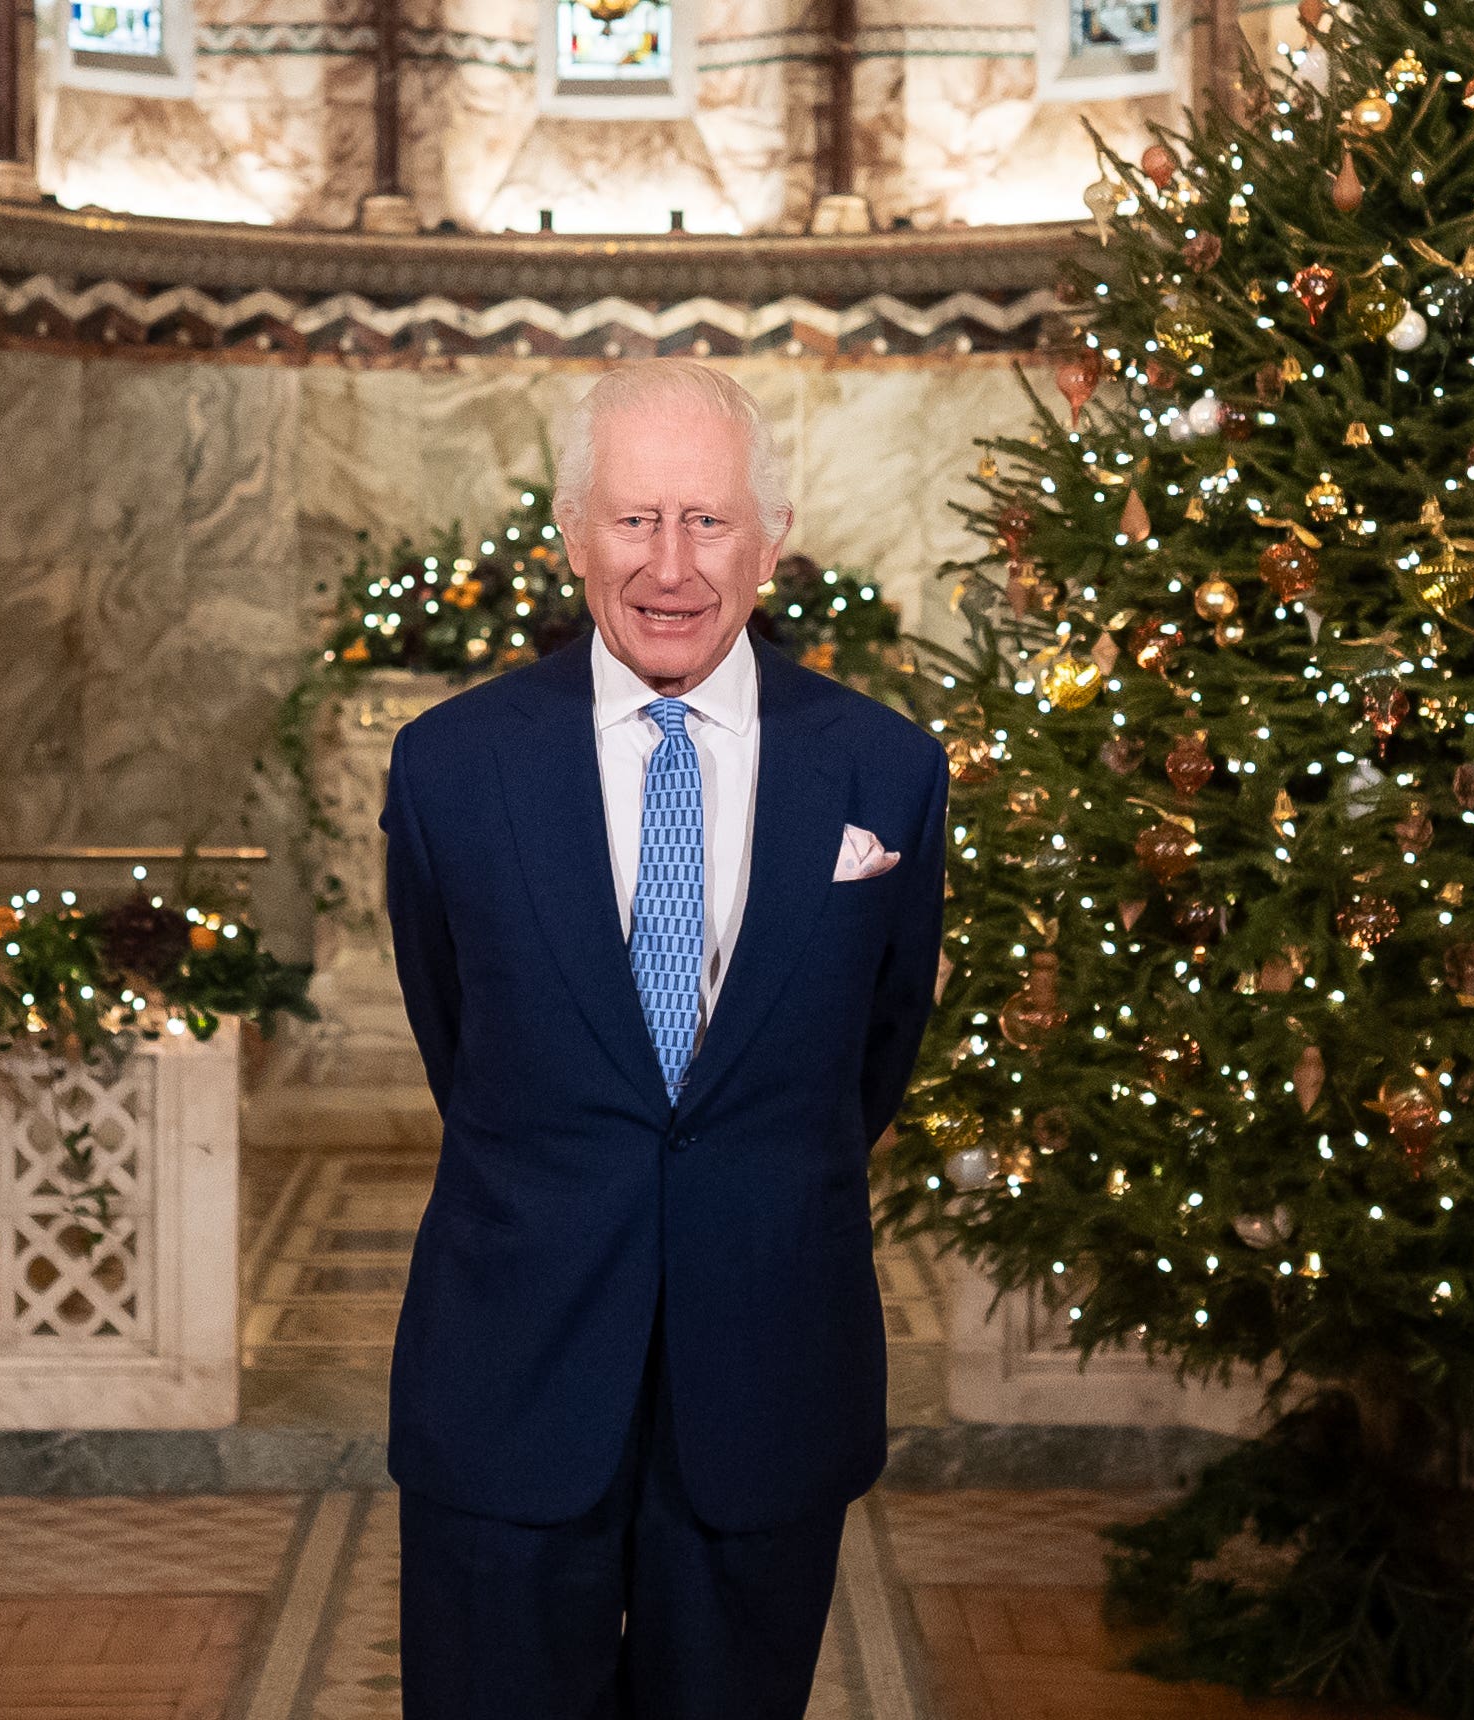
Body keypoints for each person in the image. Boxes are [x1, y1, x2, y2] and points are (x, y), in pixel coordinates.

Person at [378, 358, 949, 1719]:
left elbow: (876, 1055)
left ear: (772, 536)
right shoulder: (451, 767)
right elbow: (456, 1036)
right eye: (635, 520)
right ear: (574, 534)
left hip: (767, 1369)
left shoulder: (885, 770)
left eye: (709, 521)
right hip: (513, 1372)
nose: (673, 566)